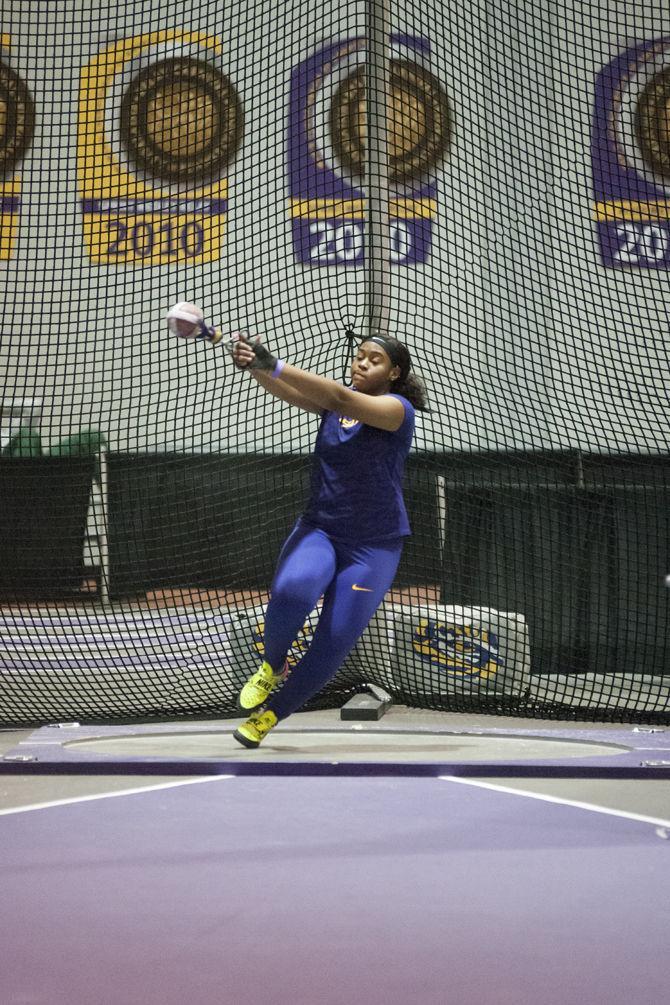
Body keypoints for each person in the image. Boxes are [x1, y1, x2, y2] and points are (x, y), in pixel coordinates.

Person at [168, 307, 427, 748]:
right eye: (359, 356)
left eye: (374, 360)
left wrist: (273, 362)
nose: (361, 363)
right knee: (292, 590)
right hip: (321, 530)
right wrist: (256, 367)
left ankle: (271, 715)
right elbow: (293, 394)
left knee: (332, 641)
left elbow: (339, 400)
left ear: (394, 373)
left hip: (373, 547)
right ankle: (272, 666)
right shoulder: (336, 400)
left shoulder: (395, 409)